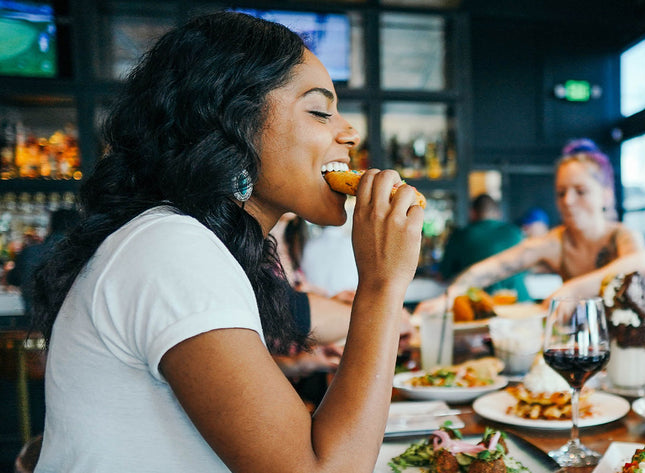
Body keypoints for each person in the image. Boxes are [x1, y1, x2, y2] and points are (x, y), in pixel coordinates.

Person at [28, 12, 423, 473]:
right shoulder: (171, 248)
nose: (350, 133)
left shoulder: (195, 243)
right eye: (319, 110)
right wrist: (382, 285)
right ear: (232, 122)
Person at [414, 138, 645, 314]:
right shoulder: (556, 242)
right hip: (582, 348)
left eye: (580, 191)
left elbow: (641, 263)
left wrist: (571, 290)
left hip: (630, 352)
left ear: (606, 195)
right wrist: (449, 296)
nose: (568, 201)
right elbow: (495, 267)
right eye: (561, 192)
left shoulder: (621, 235)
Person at [439, 193, 529, 300]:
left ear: (472, 213)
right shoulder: (516, 232)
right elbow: (527, 269)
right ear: (497, 213)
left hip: (481, 305)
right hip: (521, 302)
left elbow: (444, 274)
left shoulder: (460, 235)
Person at [6, 208, 80, 317]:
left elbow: (12, 279)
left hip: (32, 324)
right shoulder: (82, 254)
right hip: (71, 324)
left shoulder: (30, 252)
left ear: (50, 227)